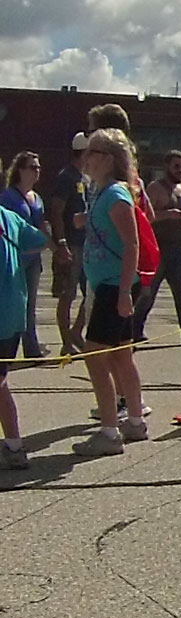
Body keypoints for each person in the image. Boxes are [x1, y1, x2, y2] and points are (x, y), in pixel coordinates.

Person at [75, 129, 148, 456]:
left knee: (95, 356)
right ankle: (134, 420)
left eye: (91, 152)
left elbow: (132, 244)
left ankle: (109, 430)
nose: (85, 158)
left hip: (112, 286)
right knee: (120, 355)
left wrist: (122, 292)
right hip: (108, 284)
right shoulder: (100, 193)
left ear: (107, 158)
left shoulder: (115, 195)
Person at [0, 187, 48, 469]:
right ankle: (15, 444)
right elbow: (40, 240)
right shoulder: (10, 218)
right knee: (1, 380)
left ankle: (15, 445)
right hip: (13, 313)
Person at [135, 149, 181, 344]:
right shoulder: (155, 188)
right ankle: (134, 330)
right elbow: (143, 215)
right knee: (148, 292)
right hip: (158, 247)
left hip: (178, 248)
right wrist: (168, 214)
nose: (180, 170)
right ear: (166, 167)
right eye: (176, 166)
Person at [1, 152, 49, 358]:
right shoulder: (9, 197)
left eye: (38, 167)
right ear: (20, 170)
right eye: (32, 167)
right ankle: (17, 345)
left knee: (29, 304)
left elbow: (41, 233)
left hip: (34, 258)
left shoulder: (36, 198)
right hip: (15, 259)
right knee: (15, 303)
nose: (36, 171)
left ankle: (31, 346)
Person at [47, 132, 88, 356]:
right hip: (71, 243)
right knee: (68, 293)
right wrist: (61, 242)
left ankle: (76, 331)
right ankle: (66, 341)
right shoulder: (67, 177)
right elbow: (56, 211)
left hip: (87, 243)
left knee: (91, 292)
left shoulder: (85, 178)